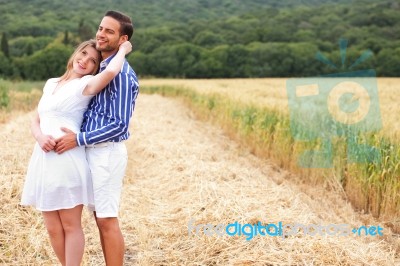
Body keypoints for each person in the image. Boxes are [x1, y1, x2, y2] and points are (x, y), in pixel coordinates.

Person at [20, 39, 132, 266]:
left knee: (70, 225)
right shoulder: (51, 83)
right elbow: (36, 120)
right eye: (83, 54)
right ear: (75, 54)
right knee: (52, 228)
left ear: (94, 68)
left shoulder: (87, 84)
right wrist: (40, 137)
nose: (85, 61)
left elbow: (111, 71)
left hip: (67, 157)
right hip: (43, 157)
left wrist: (123, 49)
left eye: (92, 61)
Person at [54, 10, 139, 266]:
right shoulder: (102, 68)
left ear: (122, 39)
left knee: (106, 219)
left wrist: (78, 139)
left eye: (109, 31)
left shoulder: (122, 74)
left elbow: (119, 125)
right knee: (99, 217)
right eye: (101, 28)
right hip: (92, 151)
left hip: (106, 152)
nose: (101, 34)